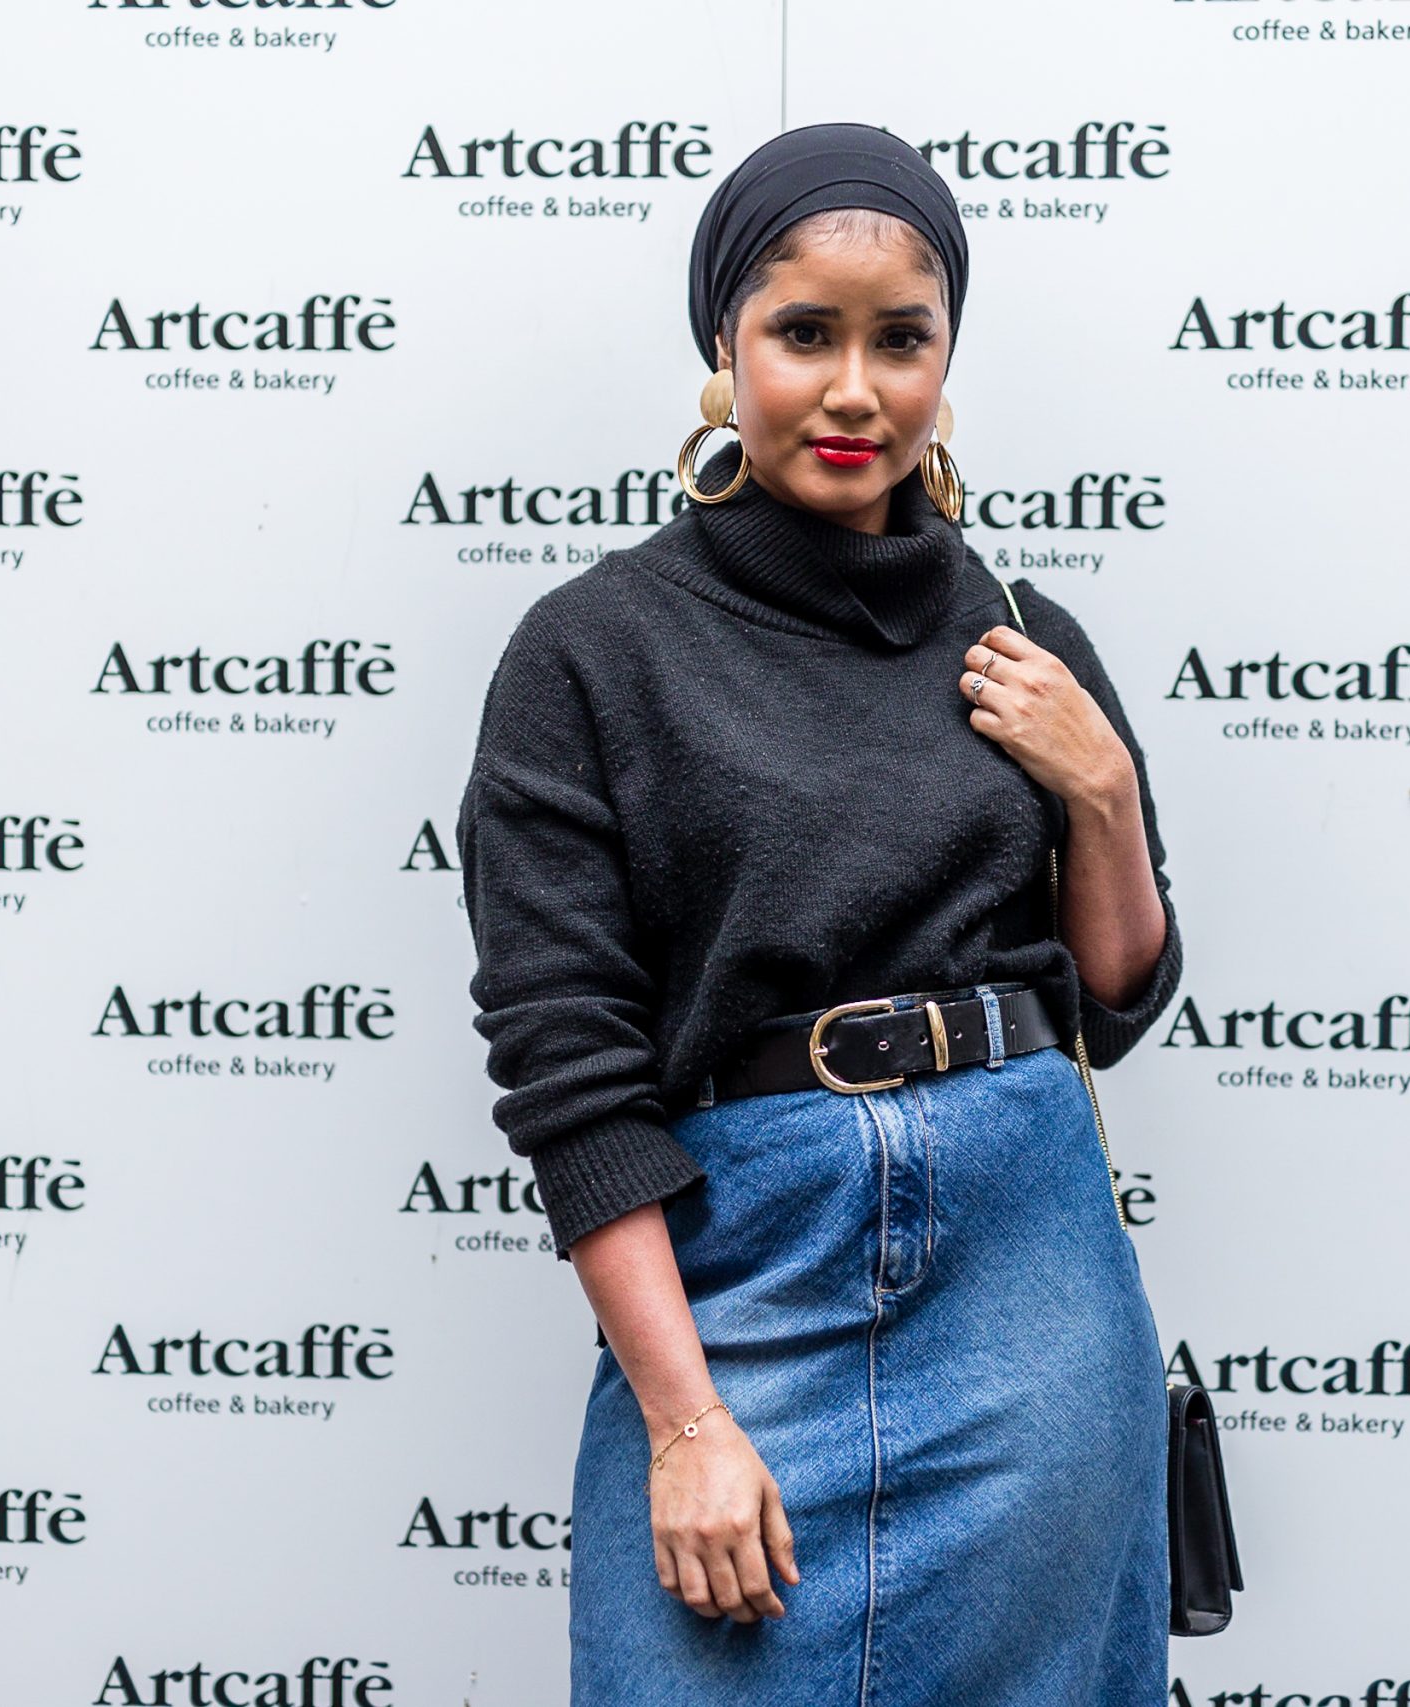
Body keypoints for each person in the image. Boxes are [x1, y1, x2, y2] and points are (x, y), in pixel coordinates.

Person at [456, 121, 1184, 1707]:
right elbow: (572, 1076)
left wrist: (1105, 792)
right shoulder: (594, 650)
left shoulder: (1022, 633)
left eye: (900, 340)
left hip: (1029, 1285)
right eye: (805, 334)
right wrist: (685, 1422)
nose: (855, 391)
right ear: (726, 351)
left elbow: (1116, 995)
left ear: (946, 363)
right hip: (744, 1277)